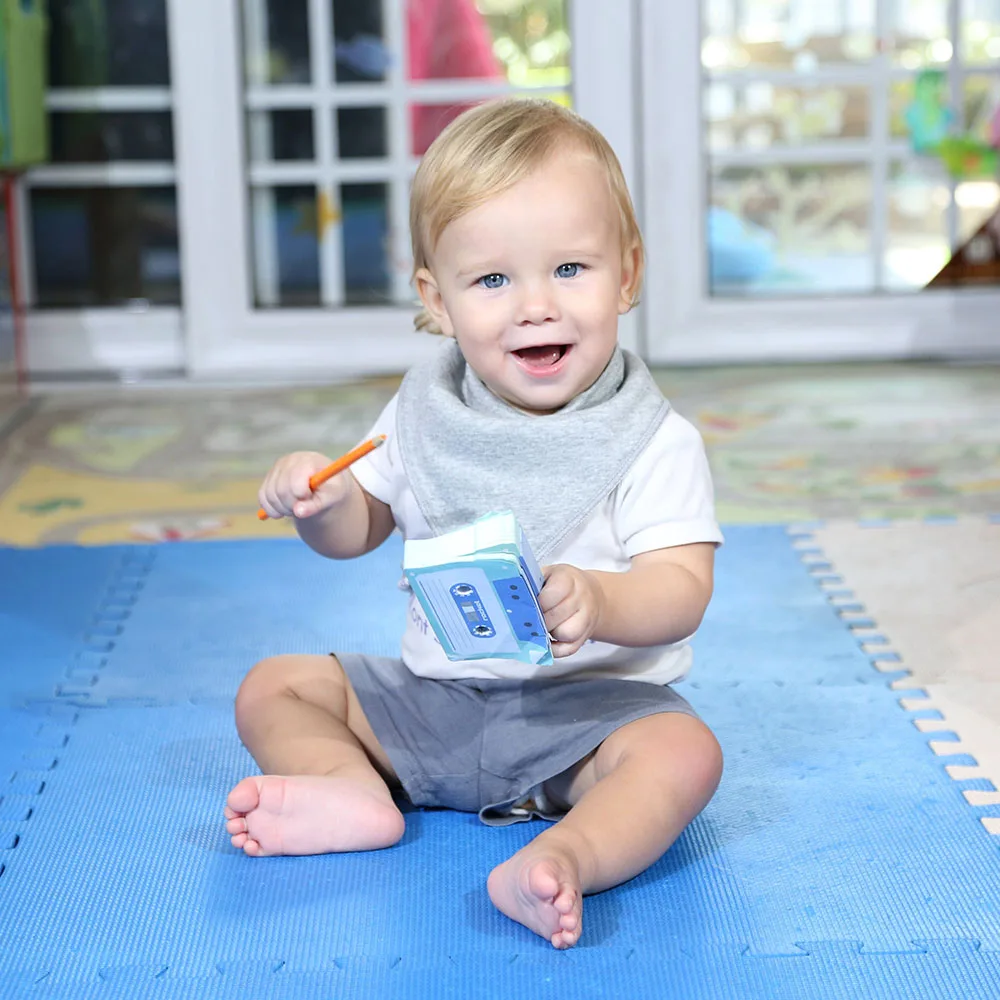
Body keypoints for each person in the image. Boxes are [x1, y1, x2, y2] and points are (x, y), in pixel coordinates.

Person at [225, 98, 725, 950]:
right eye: (493, 281)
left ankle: (567, 856)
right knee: (274, 685)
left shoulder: (652, 439)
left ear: (628, 274)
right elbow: (360, 528)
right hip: (435, 705)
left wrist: (603, 601)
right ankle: (350, 790)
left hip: (585, 721)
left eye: (570, 268)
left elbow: (683, 589)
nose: (535, 306)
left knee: (684, 753)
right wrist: (324, 503)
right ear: (437, 298)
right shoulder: (423, 413)